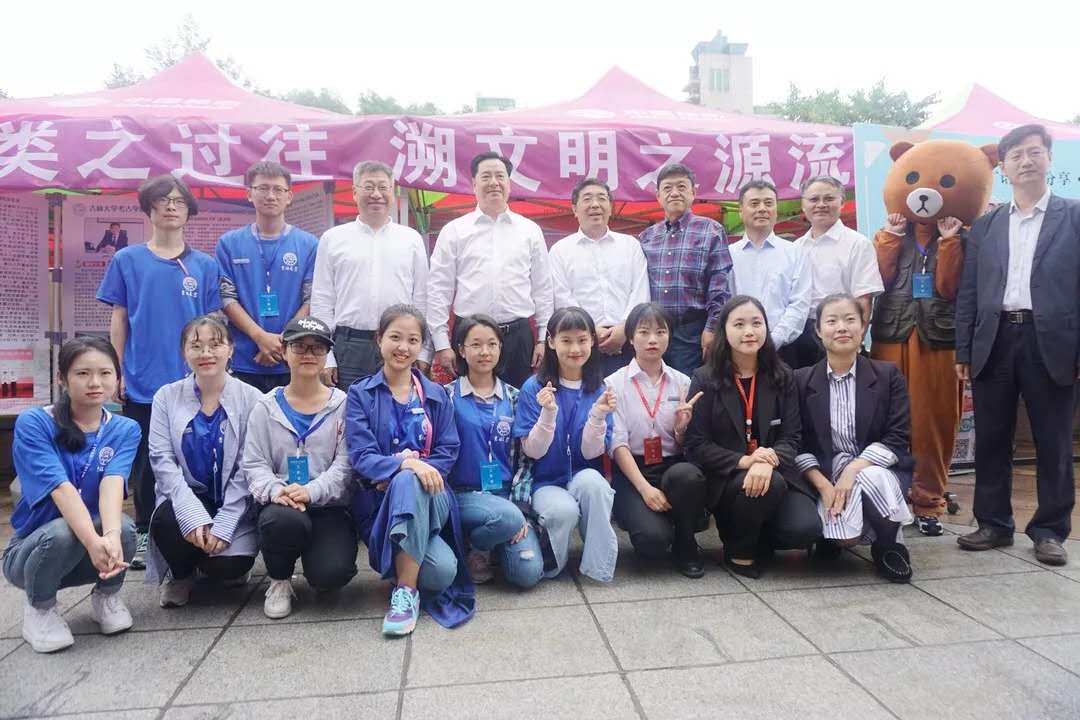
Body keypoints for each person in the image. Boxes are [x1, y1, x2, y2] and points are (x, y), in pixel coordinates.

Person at [955, 124, 1080, 565]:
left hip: (1053, 342)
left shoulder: (1073, 216)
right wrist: (964, 350)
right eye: (1016, 156)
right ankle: (993, 523)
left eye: (1034, 152)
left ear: (1048, 158)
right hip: (995, 339)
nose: (1026, 161)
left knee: (1053, 439)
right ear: (1003, 167)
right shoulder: (986, 226)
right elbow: (969, 291)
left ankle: (1050, 530)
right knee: (991, 437)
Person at [97, 175, 222, 569]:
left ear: (188, 210)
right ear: (148, 208)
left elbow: (212, 323)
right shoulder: (127, 260)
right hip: (142, 379)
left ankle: (199, 526)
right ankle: (145, 529)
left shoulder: (204, 265)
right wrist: (116, 369)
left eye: (178, 201)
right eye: (162, 200)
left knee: (197, 456)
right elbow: (119, 317)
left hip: (194, 380)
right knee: (148, 461)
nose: (170, 206)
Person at [3, 337, 138, 653]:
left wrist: (110, 537)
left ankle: (106, 596)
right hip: (33, 551)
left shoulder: (125, 428)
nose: (95, 383)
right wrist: (93, 541)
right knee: (62, 533)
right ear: (61, 378)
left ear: (117, 377)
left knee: (124, 528)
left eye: (105, 373)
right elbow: (61, 490)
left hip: (88, 550)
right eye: (83, 373)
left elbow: (112, 484)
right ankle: (40, 609)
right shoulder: (34, 423)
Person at [346, 305, 472, 636]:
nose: (403, 347)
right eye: (395, 337)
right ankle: (408, 582)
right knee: (441, 571)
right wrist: (405, 464)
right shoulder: (361, 394)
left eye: (413, 340)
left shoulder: (436, 394)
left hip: (433, 496)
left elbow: (448, 450)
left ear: (421, 346)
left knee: (407, 481)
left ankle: (405, 590)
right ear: (379, 339)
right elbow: (361, 455)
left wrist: (414, 470)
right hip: (379, 506)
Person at [684, 296, 818, 579]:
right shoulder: (705, 378)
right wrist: (746, 461)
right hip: (726, 476)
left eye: (757, 323)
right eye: (739, 324)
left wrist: (767, 461)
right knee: (769, 485)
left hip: (774, 470)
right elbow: (697, 444)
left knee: (804, 529)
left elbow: (792, 436)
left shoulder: (783, 375)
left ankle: (761, 535)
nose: (749, 332)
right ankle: (739, 551)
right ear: (724, 330)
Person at [243, 316, 358, 619]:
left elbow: (346, 465)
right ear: (284, 351)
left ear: (327, 355)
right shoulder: (265, 406)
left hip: (328, 505)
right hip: (281, 504)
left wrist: (311, 491)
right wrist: (276, 490)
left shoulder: (343, 405)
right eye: (299, 347)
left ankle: (316, 560)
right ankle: (279, 580)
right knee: (282, 522)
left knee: (332, 575)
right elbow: (254, 463)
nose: (309, 354)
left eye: (317, 348)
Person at [795, 293, 915, 583]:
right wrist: (823, 484)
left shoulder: (887, 375)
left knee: (872, 477)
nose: (842, 328)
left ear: (863, 326)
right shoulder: (800, 380)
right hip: (826, 472)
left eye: (850, 320)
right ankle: (837, 536)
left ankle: (888, 544)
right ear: (818, 330)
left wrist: (853, 470)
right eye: (832, 321)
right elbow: (796, 441)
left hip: (876, 467)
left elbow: (898, 436)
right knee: (845, 539)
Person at [146, 316, 263, 607]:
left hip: (233, 500)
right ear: (184, 352)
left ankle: (215, 559)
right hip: (185, 495)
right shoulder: (166, 397)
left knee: (229, 568)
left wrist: (226, 520)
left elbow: (249, 465)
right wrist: (191, 513)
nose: (206, 353)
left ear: (231, 349)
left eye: (215, 344)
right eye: (196, 346)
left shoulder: (252, 398)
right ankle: (181, 574)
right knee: (166, 521)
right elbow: (162, 460)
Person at [428, 152, 554, 388]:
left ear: (509, 183)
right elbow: (438, 290)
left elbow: (543, 289)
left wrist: (542, 339)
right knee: (468, 402)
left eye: (500, 176)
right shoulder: (454, 231)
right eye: (486, 176)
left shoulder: (529, 230)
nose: (494, 182)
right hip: (469, 337)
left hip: (517, 338)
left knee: (518, 402)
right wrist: (442, 343)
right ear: (474, 184)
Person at [512, 307, 618, 582]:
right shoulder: (533, 388)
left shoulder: (599, 388)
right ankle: (553, 563)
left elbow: (591, 452)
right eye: (566, 340)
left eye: (582, 340)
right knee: (563, 510)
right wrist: (547, 414)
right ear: (551, 341)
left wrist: (598, 415)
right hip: (544, 480)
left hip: (581, 473)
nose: (575, 349)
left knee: (597, 487)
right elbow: (532, 451)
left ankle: (597, 566)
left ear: (593, 340)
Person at [606, 302, 708, 577]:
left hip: (673, 467)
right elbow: (617, 444)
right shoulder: (614, 384)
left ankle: (686, 542)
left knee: (687, 476)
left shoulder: (682, 382)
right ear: (630, 338)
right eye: (644, 332)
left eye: (660, 332)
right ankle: (662, 526)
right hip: (633, 471)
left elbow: (689, 446)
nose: (653, 339)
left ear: (669, 336)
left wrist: (681, 430)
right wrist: (645, 489)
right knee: (652, 542)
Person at [310, 160, 430, 389]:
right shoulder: (332, 239)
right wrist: (327, 355)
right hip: (350, 347)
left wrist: (423, 350)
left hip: (400, 345)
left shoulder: (411, 239)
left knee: (399, 407)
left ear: (392, 192)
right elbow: (322, 299)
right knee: (350, 408)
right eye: (368, 187)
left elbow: (422, 298)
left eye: (383, 187)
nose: (376, 194)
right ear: (355, 193)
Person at [444, 314, 544, 588]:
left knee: (527, 573)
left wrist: (519, 508)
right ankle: (479, 546)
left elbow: (526, 460)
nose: (484, 352)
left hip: (505, 495)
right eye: (475, 344)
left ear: (500, 348)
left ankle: (488, 541)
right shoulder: (446, 396)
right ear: (461, 350)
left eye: (491, 344)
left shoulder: (515, 397)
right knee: (506, 519)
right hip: (464, 495)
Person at [216, 161, 318, 393]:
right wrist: (259, 336)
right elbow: (226, 297)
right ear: (249, 194)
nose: (270, 195)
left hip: (293, 357)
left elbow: (311, 298)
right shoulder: (229, 243)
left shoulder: (309, 244)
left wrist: (284, 340)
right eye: (262, 188)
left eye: (278, 189)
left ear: (289, 196)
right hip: (245, 358)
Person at [638, 163, 733, 378]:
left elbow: (719, 286)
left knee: (688, 389)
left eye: (681, 187)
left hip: (693, 331)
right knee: (652, 387)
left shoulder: (711, 230)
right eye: (667, 188)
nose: (674, 193)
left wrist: (712, 328)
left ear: (693, 193)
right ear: (658, 196)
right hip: (654, 332)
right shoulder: (647, 237)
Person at [548, 178, 650, 377]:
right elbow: (561, 297)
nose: (595, 204)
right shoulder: (560, 250)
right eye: (587, 199)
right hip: (579, 346)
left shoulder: (630, 245)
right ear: (575, 209)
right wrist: (591, 332)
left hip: (627, 342)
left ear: (610, 207)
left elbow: (641, 290)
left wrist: (624, 329)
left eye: (602, 198)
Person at [789, 176, 883, 368]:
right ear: (803, 205)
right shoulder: (795, 248)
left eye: (829, 198)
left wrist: (856, 340)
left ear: (842, 202)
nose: (821, 205)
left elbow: (864, 298)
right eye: (814, 199)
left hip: (839, 333)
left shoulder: (858, 244)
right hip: (799, 335)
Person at [728, 180, 811, 367]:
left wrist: (774, 340)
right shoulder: (728, 255)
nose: (762, 209)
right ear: (741, 211)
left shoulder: (795, 252)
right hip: (738, 348)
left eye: (768, 203)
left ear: (776, 209)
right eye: (754, 203)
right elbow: (726, 303)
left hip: (785, 349)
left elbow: (799, 304)